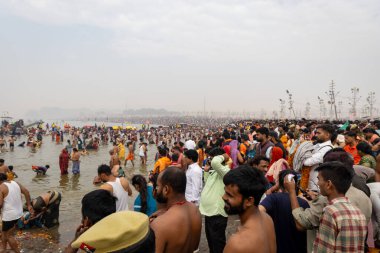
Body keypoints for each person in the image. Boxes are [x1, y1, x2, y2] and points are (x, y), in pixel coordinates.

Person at [313, 162, 367, 252]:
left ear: (328, 184)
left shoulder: (330, 212)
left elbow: (323, 250)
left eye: (319, 179)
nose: (318, 183)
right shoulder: (358, 212)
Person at [222, 165, 276, 253]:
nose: (223, 197)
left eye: (230, 195)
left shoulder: (237, 244)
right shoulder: (267, 219)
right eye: (225, 192)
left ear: (249, 201)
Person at [150, 167, 202, 253]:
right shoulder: (195, 210)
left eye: (158, 186)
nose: (156, 190)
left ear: (166, 189)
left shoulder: (159, 225)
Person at [259, 170, 308, 253]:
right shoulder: (304, 203)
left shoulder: (272, 199)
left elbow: (259, 211)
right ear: (296, 184)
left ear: (280, 185)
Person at [71, 211, 155, 253]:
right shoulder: (146, 241)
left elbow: (90, 250)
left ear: (87, 221)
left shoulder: (90, 247)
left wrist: (77, 241)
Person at [199, 148, 230, 253]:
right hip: (209, 213)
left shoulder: (225, 171)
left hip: (217, 213)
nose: (210, 161)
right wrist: (206, 171)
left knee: (218, 243)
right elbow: (207, 183)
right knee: (211, 241)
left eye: (211, 159)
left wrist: (224, 156)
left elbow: (216, 163)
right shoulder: (215, 172)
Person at [0, 173, 34, 253]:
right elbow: (26, 192)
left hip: (9, 216)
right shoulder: (15, 183)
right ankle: (3, 249)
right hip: (19, 213)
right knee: (4, 232)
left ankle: (17, 251)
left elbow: (0, 204)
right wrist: (29, 205)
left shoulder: (1, 187)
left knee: (9, 236)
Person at [303, 124, 334, 191]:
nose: (316, 135)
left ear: (327, 135)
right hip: (311, 183)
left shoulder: (327, 149)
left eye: (318, 133)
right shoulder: (317, 145)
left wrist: (303, 153)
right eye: (316, 133)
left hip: (316, 187)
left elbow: (306, 162)